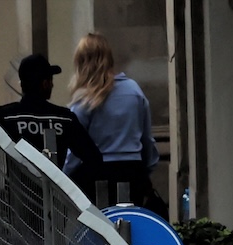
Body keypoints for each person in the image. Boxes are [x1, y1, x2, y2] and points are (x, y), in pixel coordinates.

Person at [66, 33, 162, 212]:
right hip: (132, 171)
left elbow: (75, 148)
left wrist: (64, 175)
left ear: (81, 62)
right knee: (130, 220)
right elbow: (147, 139)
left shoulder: (84, 99)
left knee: (98, 222)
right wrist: (145, 171)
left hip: (96, 174)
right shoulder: (134, 90)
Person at [0, 54, 100, 189]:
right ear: (45, 84)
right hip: (52, 194)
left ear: (22, 84)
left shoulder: (6, 116)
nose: (52, 84)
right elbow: (94, 159)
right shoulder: (64, 118)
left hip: (18, 195)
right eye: (50, 80)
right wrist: (67, 186)